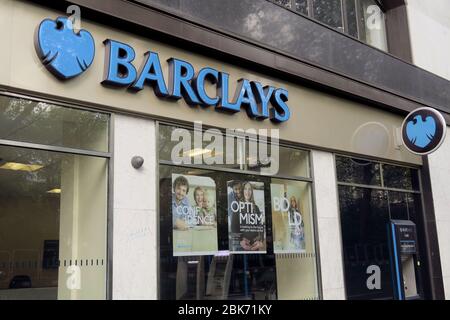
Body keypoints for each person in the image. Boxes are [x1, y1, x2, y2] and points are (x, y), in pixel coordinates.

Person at [239, 182, 265, 252]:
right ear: (242, 191)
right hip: (243, 246)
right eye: (245, 189)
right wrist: (240, 241)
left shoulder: (256, 208)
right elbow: (235, 227)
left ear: (252, 192)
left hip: (255, 245)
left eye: (249, 189)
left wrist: (261, 241)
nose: (247, 191)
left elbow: (261, 225)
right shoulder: (238, 207)